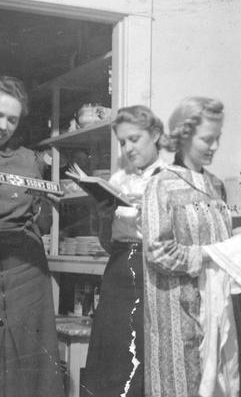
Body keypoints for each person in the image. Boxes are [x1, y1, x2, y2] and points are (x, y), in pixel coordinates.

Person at [142, 97, 241, 397]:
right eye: (207, 139)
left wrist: (235, 236)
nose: (214, 147)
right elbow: (157, 250)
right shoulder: (160, 184)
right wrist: (209, 254)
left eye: (217, 139)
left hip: (218, 308)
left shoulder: (216, 185)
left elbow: (216, 236)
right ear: (183, 135)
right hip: (177, 312)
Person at [0, 76, 64, 397]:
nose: (3, 126)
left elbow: (43, 222)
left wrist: (49, 207)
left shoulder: (29, 160)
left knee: (32, 367)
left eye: (12, 119)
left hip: (28, 276)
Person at [83, 105, 167, 397]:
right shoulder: (117, 180)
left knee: (146, 353)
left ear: (155, 134)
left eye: (135, 139)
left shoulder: (170, 178)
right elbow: (108, 244)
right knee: (113, 353)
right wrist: (104, 215)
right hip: (119, 270)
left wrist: (148, 213)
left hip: (154, 270)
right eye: (123, 142)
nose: (128, 148)